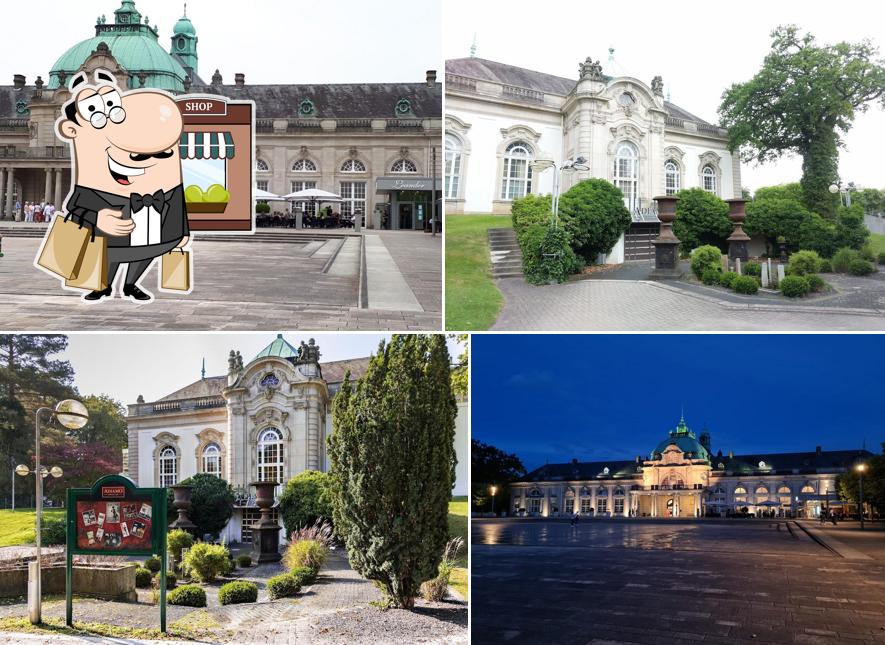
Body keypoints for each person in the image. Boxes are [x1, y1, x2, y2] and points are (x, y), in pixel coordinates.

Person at [48, 69, 189, 301]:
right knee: (110, 251)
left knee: (148, 251)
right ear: (73, 130)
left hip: (150, 225)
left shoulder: (162, 178)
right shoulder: (92, 187)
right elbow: (77, 206)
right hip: (113, 228)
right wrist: (97, 218)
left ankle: (131, 284)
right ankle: (103, 285)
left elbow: (175, 200)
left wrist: (182, 231)